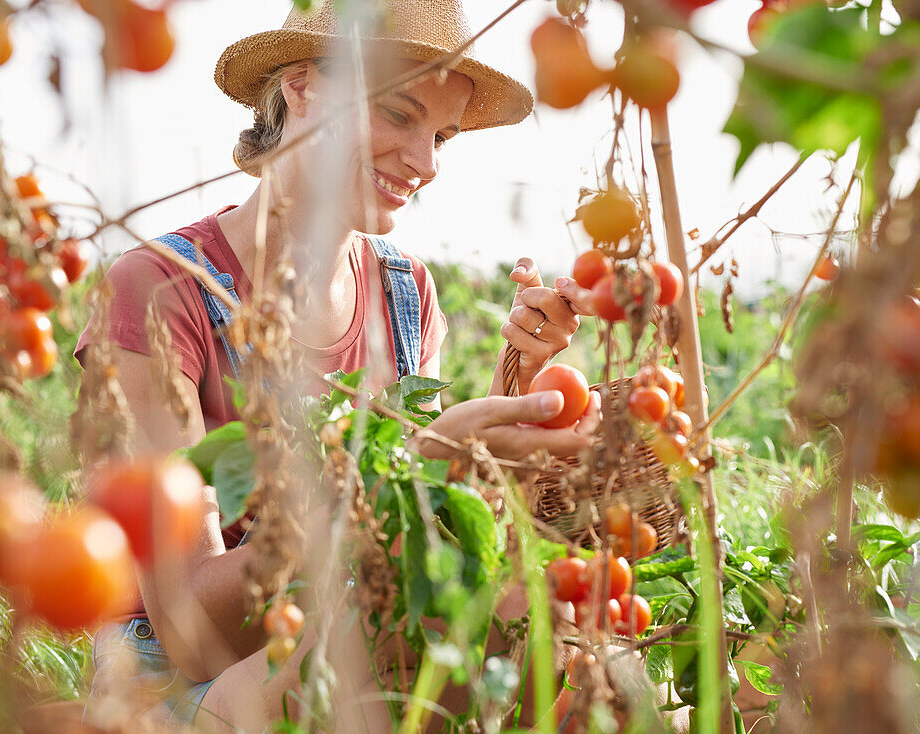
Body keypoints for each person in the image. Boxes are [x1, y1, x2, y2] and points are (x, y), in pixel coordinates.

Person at [77, 1, 600, 731]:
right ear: (302, 88)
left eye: (442, 135)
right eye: (398, 114)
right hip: (181, 684)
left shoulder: (403, 290)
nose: (427, 163)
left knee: (542, 623)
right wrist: (415, 461)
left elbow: (421, 534)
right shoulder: (162, 290)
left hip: (341, 631)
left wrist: (520, 380)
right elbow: (191, 629)